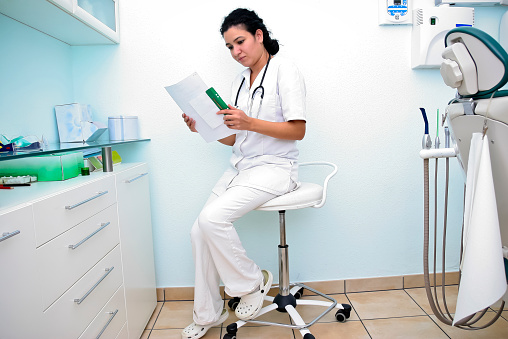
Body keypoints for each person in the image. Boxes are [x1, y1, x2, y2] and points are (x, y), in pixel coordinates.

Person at [181, 8, 306, 339]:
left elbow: (297, 130)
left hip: (276, 168)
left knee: (212, 220)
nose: (236, 52)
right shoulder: (239, 81)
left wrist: (248, 121)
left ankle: (252, 283)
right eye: (230, 47)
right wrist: (202, 129)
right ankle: (207, 312)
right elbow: (237, 138)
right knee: (198, 231)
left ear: (259, 36)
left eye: (240, 42)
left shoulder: (284, 70)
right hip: (241, 167)